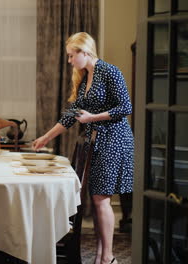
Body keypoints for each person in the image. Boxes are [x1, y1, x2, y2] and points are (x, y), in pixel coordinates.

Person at [33, 32, 134, 264]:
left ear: (84, 52)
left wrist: (93, 118)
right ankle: (100, 256)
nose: (69, 61)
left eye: (71, 56)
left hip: (114, 140)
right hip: (97, 142)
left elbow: (125, 106)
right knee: (98, 198)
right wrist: (46, 137)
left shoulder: (109, 71)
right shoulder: (85, 77)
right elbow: (72, 115)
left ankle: (108, 257)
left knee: (101, 199)